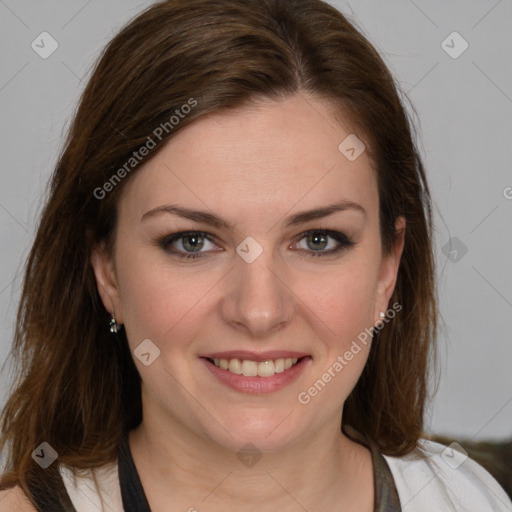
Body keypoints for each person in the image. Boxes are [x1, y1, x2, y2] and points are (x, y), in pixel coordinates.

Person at [0, 0, 510, 510]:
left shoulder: (472, 500)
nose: (259, 312)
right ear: (107, 269)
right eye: (192, 242)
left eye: (318, 240)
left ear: (387, 268)